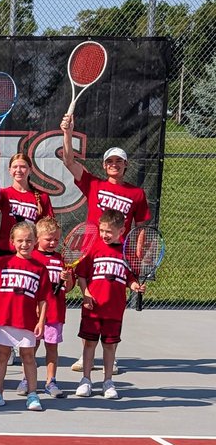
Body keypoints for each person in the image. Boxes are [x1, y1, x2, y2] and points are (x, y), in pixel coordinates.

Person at [61, 116, 150, 374]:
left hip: (118, 254)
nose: (114, 165)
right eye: (110, 162)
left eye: (118, 162)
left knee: (113, 303)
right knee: (89, 299)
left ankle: (112, 354)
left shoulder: (137, 193)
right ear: (104, 165)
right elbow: (69, 161)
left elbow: (141, 227)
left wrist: (138, 254)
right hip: (92, 250)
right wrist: (68, 132)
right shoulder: (95, 184)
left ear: (125, 166)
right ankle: (85, 352)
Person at [0, 221, 50, 411]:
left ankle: (32, 395)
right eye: (21, 240)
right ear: (12, 242)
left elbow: (44, 299)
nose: (25, 244)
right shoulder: (2, 263)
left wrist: (41, 321)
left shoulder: (40, 269)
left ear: (36, 242)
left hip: (27, 321)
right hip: (4, 319)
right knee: (2, 356)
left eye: (29, 240)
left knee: (28, 357)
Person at [74, 209, 144, 400]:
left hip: (114, 310)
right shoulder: (93, 248)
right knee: (89, 344)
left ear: (121, 231)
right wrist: (86, 293)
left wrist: (135, 285)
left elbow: (129, 278)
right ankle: (86, 380)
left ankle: (107, 382)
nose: (104, 235)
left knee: (109, 347)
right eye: (102, 230)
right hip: (93, 308)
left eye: (109, 231)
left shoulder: (126, 252)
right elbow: (81, 275)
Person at [30, 217, 74, 399]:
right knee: (31, 347)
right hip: (33, 313)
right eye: (48, 239)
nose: (53, 243)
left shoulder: (61, 259)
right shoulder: (31, 257)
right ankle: (27, 378)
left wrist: (67, 278)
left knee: (52, 348)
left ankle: (51, 381)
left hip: (55, 312)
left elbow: (69, 288)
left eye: (56, 239)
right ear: (37, 238)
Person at [0, 151, 54, 256]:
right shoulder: (5, 193)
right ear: (10, 170)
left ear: (30, 170)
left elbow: (49, 227)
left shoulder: (42, 197)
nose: (18, 170)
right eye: (15, 167)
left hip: (30, 252)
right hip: (7, 251)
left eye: (23, 167)